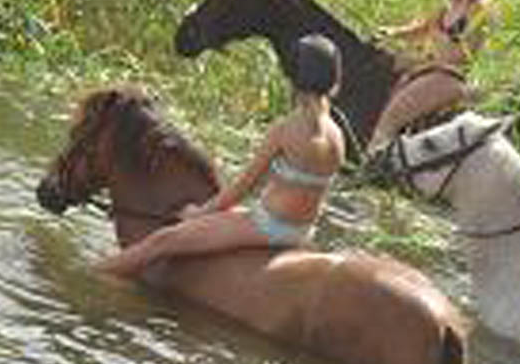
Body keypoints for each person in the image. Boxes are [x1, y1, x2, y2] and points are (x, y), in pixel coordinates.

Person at [95, 34, 345, 278]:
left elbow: (241, 189)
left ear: (292, 77)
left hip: (269, 226)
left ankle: (92, 276)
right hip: (302, 232)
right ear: (333, 80)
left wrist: (198, 215)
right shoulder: (337, 136)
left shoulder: (285, 129)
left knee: (162, 241)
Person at [366, 0, 496, 155]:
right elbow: (425, 27)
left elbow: (460, 58)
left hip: (447, 76)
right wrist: (393, 33)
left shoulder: (482, 8)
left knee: (389, 119)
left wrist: (417, 62)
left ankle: (371, 164)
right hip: (429, 67)